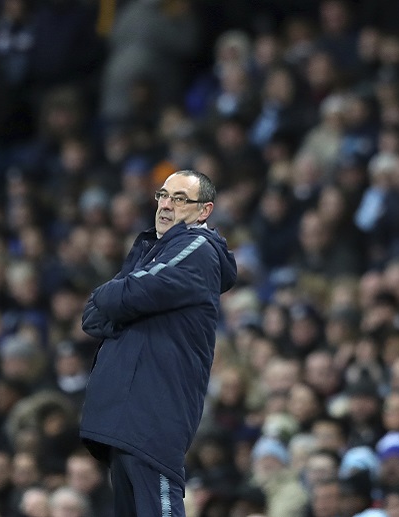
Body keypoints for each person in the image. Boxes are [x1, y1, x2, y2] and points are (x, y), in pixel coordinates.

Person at [78, 170, 237, 516]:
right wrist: (118, 299)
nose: (166, 205)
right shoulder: (153, 251)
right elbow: (91, 316)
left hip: (154, 410)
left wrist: (118, 299)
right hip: (126, 413)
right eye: (163, 195)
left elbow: (123, 293)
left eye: (179, 199)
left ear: (204, 211)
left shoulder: (198, 247)